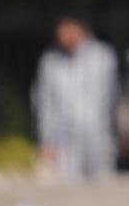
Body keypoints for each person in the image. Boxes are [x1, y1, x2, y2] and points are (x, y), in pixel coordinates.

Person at [31, 18, 118, 180]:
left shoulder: (103, 57)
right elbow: (45, 104)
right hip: (64, 139)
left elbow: (111, 98)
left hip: (98, 135)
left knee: (102, 185)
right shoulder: (50, 62)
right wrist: (47, 141)